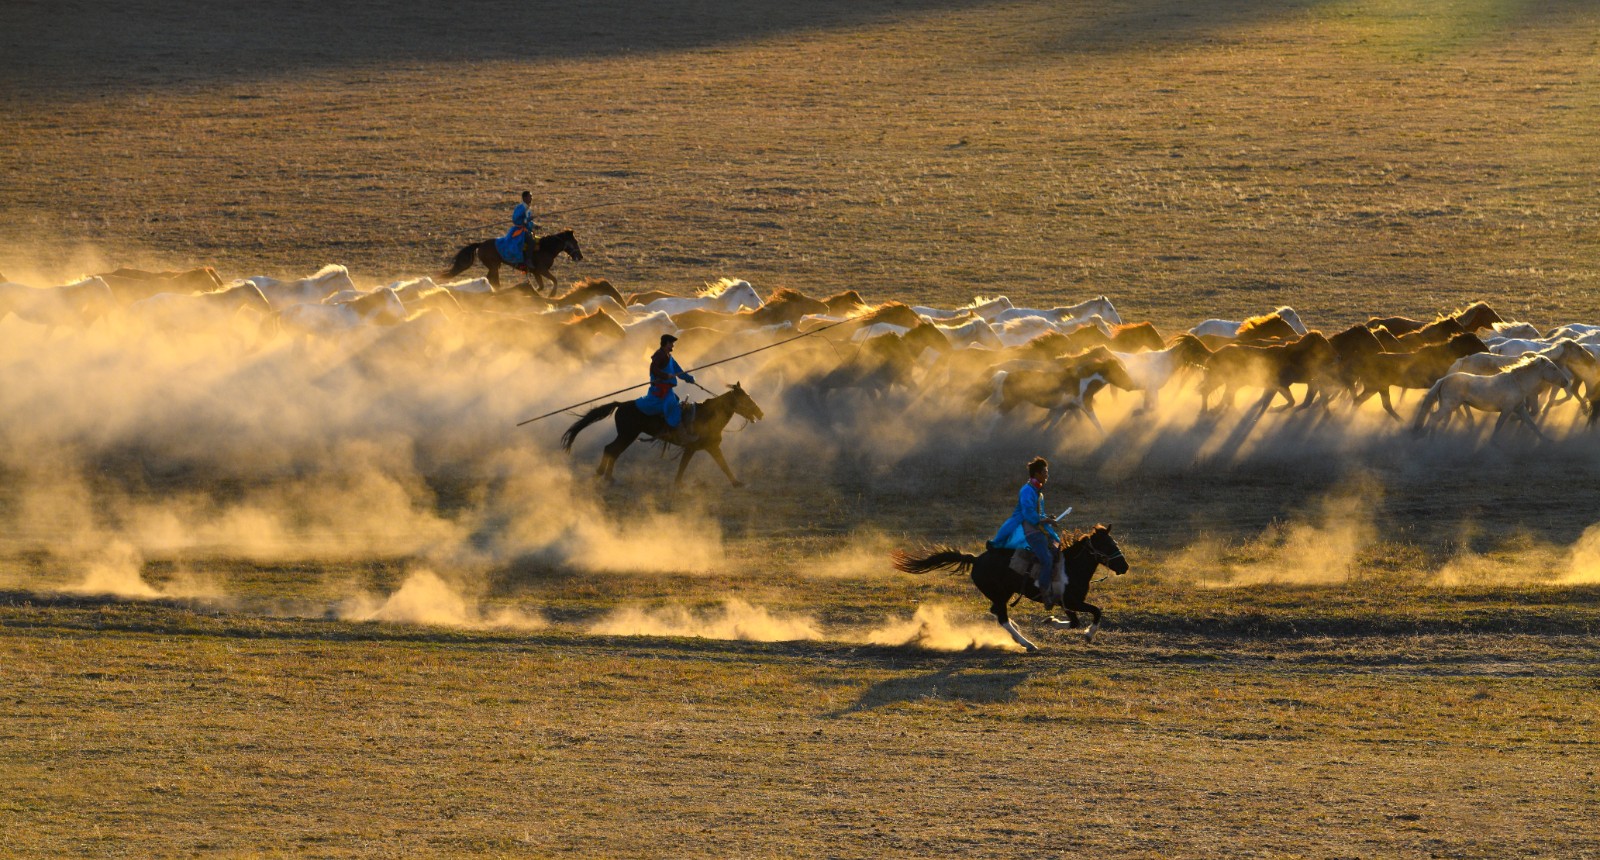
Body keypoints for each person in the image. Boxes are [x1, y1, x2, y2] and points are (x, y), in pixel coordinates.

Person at [991, 456, 1062, 606]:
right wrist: (1045, 520)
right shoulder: (1027, 491)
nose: (1047, 475)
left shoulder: (1037, 492)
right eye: (1045, 472)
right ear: (1037, 474)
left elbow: (1037, 513)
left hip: (1038, 529)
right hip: (1031, 531)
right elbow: (1029, 514)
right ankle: (1045, 593)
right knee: (1047, 559)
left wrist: (1047, 517)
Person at [634, 333, 698, 445]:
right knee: (674, 408)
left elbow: (678, 371)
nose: (673, 346)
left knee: (676, 399)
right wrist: (665, 375)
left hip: (667, 390)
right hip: (659, 392)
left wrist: (689, 378)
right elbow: (653, 368)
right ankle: (682, 437)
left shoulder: (669, 356)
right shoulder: (659, 355)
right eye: (672, 343)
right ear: (667, 343)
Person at [502, 190, 542, 269]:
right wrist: (527, 220)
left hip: (526, 231)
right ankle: (527, 260)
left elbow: (528, 222)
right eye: (530, 196)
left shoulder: (528, 209)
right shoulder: (520, 208)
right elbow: (515, 220)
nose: (531, 198)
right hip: (520, 231)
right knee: (532, 242)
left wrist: (535, 225)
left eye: (531, 196)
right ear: (524, 198)